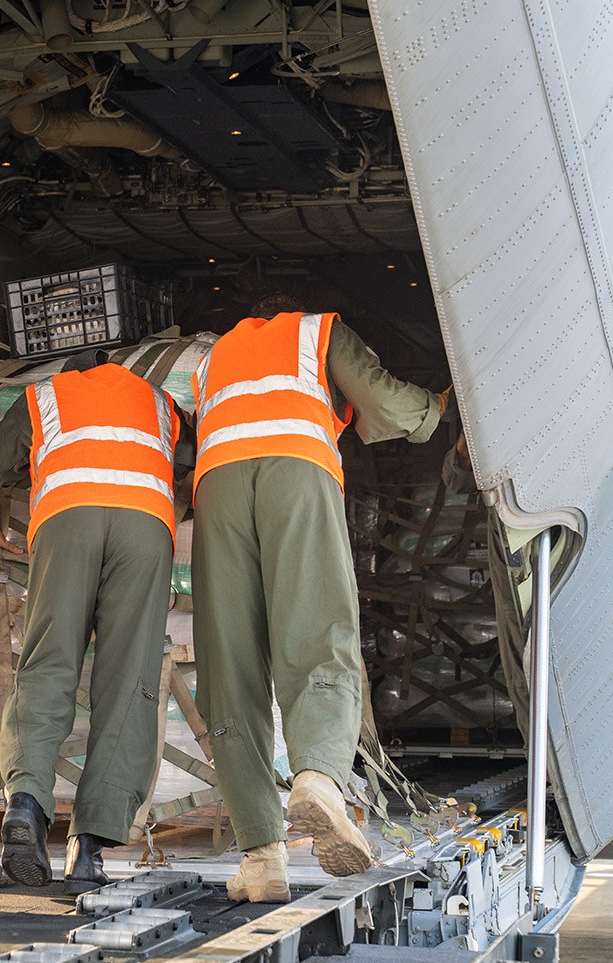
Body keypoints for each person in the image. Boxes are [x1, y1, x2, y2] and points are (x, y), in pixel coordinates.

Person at [190, 294, 450, 903]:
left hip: (218, 487)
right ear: (292, 311)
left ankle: (261, 857)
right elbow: (381, 399)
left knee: (229, 664)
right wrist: (435, 411)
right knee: (314, 631)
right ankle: (319, 780)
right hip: (296, 471)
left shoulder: (214, 357)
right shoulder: (318, 331)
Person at [0, 348, 194, 892]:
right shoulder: (160, 402)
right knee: (128, 678)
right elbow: (189, 464)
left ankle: (26, 805)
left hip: (68, 521)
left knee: (47, 666)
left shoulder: (47, 396)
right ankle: (89, 848)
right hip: (144, 529)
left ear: (72, 373)